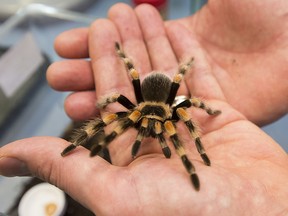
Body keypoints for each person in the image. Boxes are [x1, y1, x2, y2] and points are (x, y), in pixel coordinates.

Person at [0, 2, 288, 215]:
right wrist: (95, 124)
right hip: (148, 98)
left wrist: (198, 148)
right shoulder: (135, 109)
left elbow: (188, 101)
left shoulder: (173, 108)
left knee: (184, 104)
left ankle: (191, 166)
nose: (148, 129)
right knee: (113, 117)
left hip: (161, 98)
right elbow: (121, 86)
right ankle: (83, 141)